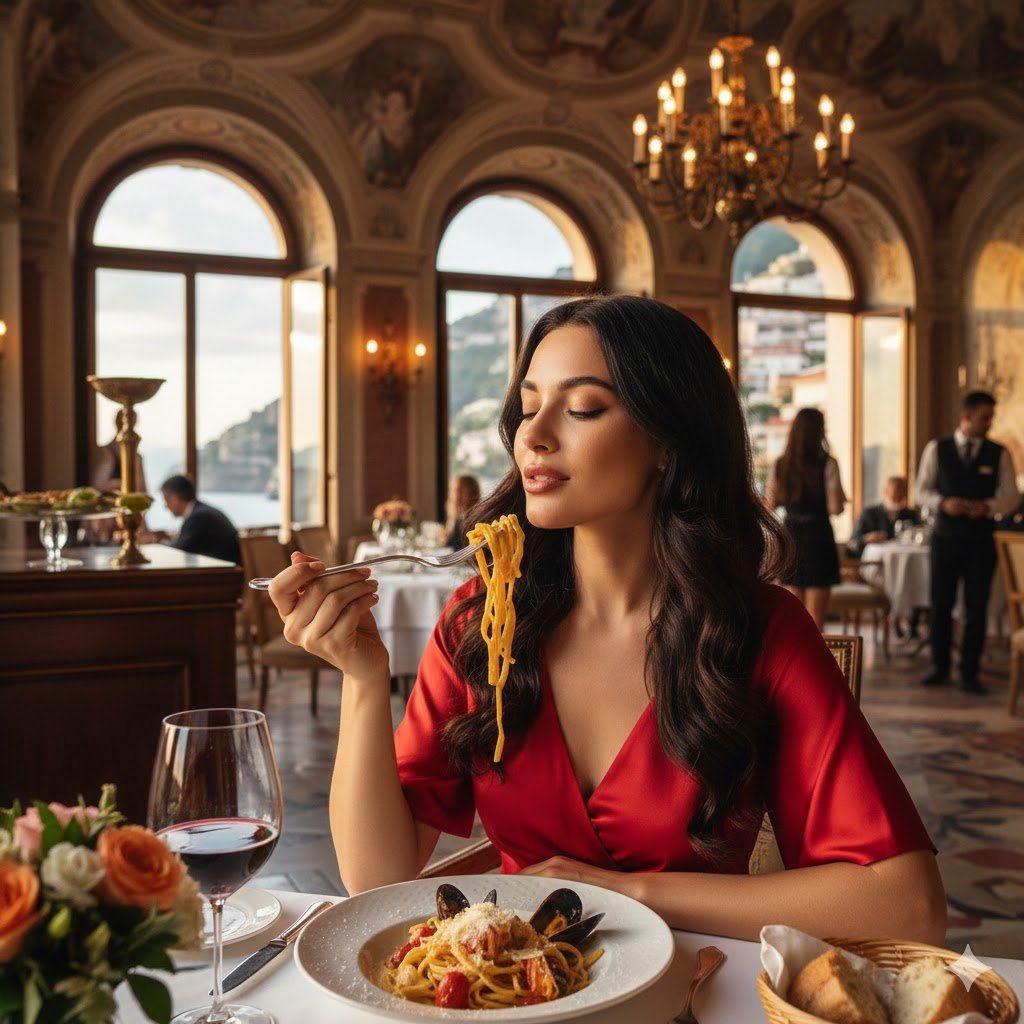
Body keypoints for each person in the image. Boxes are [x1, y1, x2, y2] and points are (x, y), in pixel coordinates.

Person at [267, 296, 944, 943]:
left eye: (584, 407)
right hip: (513, 997)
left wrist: (629, 892)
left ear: (666, 440)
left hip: (692, 990)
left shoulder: (758, 632)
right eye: (528, 407)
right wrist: (363, 679)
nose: (533, 435)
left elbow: (905, 905)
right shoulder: (482, 622)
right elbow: (375, 875)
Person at [915, 391, 1019, 693]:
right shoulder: (937, 448)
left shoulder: (999, 453)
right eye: (984, 417)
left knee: (977, 607)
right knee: (940, 602)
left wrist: (990, 505)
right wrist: (943, 502)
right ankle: (939, 666)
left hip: (981, 540)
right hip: (945, 537)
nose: (989, 423)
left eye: (991, 418)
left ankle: (970, 672)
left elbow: (1011, 496)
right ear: (967, 416)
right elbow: (920, 490)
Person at [765, 408, 847, 631]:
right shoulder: (828, 463)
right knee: (815, 621)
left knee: (793, 618)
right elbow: (834, 507)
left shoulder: (781, 464)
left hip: (790, 535)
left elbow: (770, 504)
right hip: (818, 536)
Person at [157, 474, 241, 565]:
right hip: (225, 568)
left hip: (226, 573)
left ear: (175, 498)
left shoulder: (198, 517)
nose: (165, 506)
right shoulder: (201, 511)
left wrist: (159, 542)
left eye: (166, 500)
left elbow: (178, 551)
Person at [845, 475, 920, 556]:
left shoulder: (911, 515)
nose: (899, 496)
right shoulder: (869, 514)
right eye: (895, 492)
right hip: (877, 563)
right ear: (886, 491)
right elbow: (851, 546)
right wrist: (867, 539)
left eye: (902, 492)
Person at [443, 473, 481, 548]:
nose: (452, 495)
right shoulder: (457, 515)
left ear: (471, 493)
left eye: (457, 490)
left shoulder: (478, 519)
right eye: (451, 490)